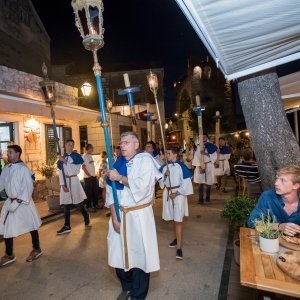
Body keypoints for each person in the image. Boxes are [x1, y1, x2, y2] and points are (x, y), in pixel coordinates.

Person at [106, 132, 162, 300]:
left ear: (136, 145)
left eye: (126, 142)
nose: (122, 145)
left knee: (140, 257)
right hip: (119, 215)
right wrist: (114, 216)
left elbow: (143, 187)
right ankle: (127, 286)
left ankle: (138, 295)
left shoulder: (145, 160)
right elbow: (110, 191)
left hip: (139, 216)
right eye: (121, 142)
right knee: (118, 255)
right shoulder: (118, 162)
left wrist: (120, 178)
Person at [0, 145, 42, 267]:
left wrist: (18, 201)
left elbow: (28, 186)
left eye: (10, 152)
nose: (8, 154)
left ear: (18, 153)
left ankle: (37, 248)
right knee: (7, 228)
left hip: (23, 202)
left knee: (31, 226)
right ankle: (9, 254)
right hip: (10, 201)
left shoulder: (24, 169)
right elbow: (1, 182)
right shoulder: (7, 168)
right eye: (7, 152)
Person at [159, 145, 193, 260]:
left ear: (174, 155)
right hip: (168, 194)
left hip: (178, 195)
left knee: (178, 220)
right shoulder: (165, 167)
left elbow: (187, 183)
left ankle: (179, 247)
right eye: (166, 153)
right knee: (173, 218)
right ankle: (176, 238)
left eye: (168, 153)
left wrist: (177, 193)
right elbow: (160, 181)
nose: (166, 156)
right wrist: (165, 175)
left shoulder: (180, 166)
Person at [247, 165, 300, 236]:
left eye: (283, 181)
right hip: (271, 242)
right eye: (277, 179)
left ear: (296, 186)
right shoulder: (268, 196)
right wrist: (278, 226)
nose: (276, 183)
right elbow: (252, 222)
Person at [57, 139, 90, 235]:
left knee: (78, 203)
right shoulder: (62, 157)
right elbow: (60, 172)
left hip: (74, 181)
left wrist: (65, 162)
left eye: (72, 145)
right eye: (68, 145)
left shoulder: (77, 157)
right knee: (66, 204)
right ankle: (67, 225)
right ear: (65, 146)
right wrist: (62, 184)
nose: (70, 147)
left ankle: (85, 214)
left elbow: (75, 170)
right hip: (65, 181)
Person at [192, 133, 218, 204]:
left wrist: (205, 154)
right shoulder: (198, 147)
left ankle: (207, 197)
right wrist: (199, 167)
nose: (203, 138)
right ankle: (200, 199)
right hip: (200, 165)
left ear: (207, 137)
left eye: (204, 137)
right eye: (202, 137)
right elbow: (196, 157)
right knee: (200, 184)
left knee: (209, 183)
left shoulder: (211, 146)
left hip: (209, 165)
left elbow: (214, 157)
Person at [82, 144, 100, 212]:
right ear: (88, 148)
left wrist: (94, 175)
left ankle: (95, 204)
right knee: (88, 193)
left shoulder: (90, 156)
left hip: (93, 177)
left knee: (95, 191)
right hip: (88, 178)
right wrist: (89, 175)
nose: (93, 149)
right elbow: (83, 167)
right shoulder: (84, 157)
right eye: (92, 148)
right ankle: (88, 206)